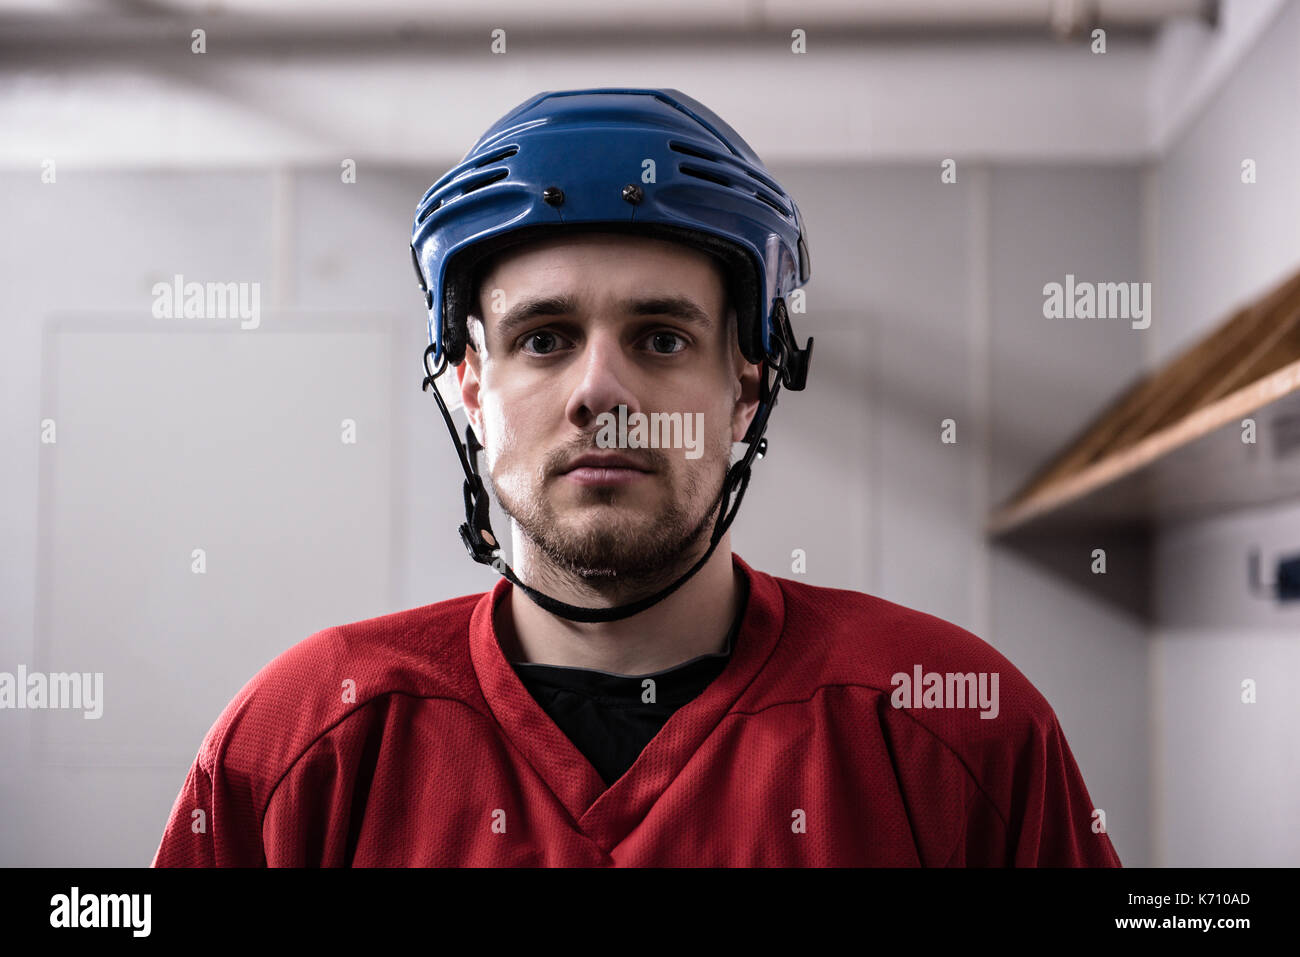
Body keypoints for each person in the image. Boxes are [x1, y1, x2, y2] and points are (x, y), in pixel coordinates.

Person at [152, 88, 1121, 867]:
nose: (600, 392)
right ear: (471, 388)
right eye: (544, 339)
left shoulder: (955, 721)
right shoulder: (304, 738)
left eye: (661, 337)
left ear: (748, 384)